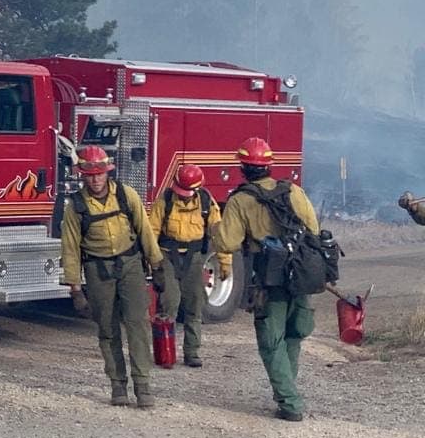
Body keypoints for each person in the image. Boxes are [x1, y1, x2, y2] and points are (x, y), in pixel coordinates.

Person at [212, 137, 319, 422]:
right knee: (294, 334)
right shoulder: (293, 191)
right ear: (269, 166)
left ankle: (290, 403)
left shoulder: (240, 200)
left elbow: (226, 243)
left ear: (243, 168)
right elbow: (313, 228)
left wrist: (214, 224)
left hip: (269, 280)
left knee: (272, 341)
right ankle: (287, 394)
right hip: (299, 274)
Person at [60, 146, 165, 408]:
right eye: (89, 175)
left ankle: (143, 385)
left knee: (137, 325)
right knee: (107, 330)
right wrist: (75, 290)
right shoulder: (76, 207)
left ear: (108, 172)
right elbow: (70, 248)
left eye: (99, 174)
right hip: (98, 271)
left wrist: (157, 265)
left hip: (130, 266)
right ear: (82, 176)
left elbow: (145, 231)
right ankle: (118, 386)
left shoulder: (126, 195)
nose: (95, 180)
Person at [146, 165, 224, 368]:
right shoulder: (165, 200)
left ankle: (192, 352)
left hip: (194, 257)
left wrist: (226, 264)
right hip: (167, 255)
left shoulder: (206, 202)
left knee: (194, 305)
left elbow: (219, 234)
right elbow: (151, 231)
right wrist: (153, 263)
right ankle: (165, 353)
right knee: (169, 303)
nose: (184, 197)